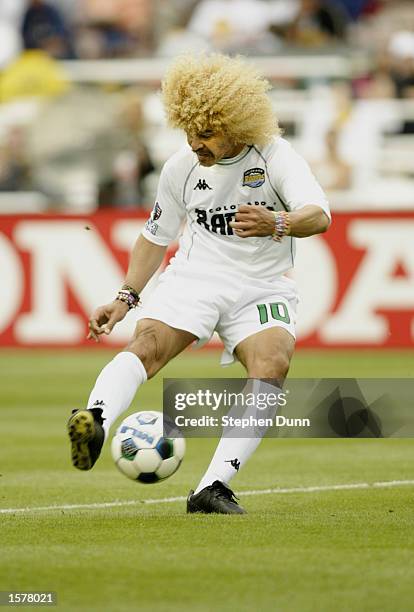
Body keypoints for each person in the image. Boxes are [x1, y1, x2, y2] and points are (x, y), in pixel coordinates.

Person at [67, 53, 331, 514]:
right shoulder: (180, 169)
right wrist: (125, 297)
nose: (195, 143)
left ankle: (212, 487)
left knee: (272, 365)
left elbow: (319, 215)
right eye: (189, 132)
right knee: (147, 344)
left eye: (206, 132)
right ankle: (96, 420)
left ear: (236, 124)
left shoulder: (275, 157)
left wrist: (278, 221)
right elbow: (155, 237)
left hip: (263, 285)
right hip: (197, 277)